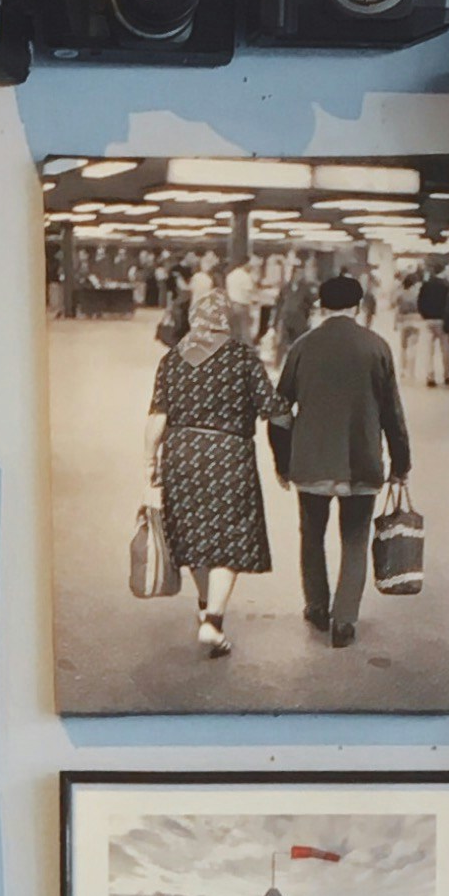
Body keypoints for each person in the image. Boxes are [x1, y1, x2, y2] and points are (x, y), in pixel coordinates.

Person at [270, 266, 412, 647]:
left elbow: (279, 412)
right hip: (361, 460)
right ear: (358, 305)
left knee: (311, 536)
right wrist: (401, 464)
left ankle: (317, 607)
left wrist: (281, 462)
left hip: (311, 461)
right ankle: (345, 620)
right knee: (354, 539)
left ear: (321, 305)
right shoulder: (376, 346)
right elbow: (391, 414)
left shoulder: (301, 347)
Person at [149, 263, 282, 659]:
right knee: (229, 540)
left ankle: (204, 604)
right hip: (229, 456)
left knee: (191, 533)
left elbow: (156, 418)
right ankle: (214, 621)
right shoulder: (242, 357)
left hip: (181, 455)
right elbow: (272, 408)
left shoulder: (173, 360)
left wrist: (148, 465)